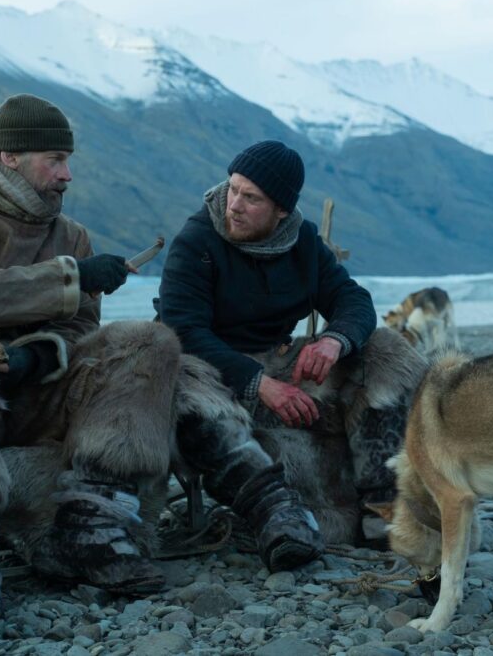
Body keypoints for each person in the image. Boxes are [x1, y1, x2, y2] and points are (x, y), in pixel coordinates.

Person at [0, 96, 322, 631]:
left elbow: (78, 332)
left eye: (69, 160)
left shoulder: (70, 233)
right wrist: (74, 277)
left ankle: (92, 528)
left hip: (27, 392)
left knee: (150, 343)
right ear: (9, 157)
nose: (67, 174)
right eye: (54, 160)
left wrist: (36, 356)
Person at [158, 141, 426, 546]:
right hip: (208, 374)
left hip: (280, 360)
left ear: (281, 209)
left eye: (251, 198)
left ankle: (384, 503)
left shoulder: (301, 241)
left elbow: (353, 300)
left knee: (385, 348)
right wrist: (260, 383)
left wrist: (335, 341)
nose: (233, 205)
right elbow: (183, 332)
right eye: (233, 189)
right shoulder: (197, 241)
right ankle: (286, 516)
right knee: (189, 376)